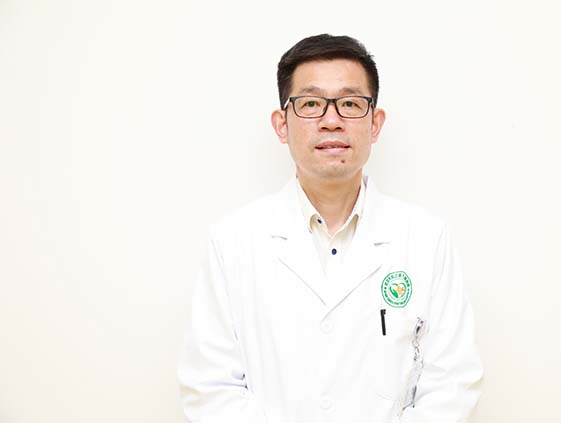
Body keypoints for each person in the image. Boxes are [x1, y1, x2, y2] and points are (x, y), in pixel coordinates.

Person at [178, 34, 483, 423]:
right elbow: (209, 389)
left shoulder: (425, 239)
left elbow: (452, 385)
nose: (332, 120)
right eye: (310, 104)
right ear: (282, 125)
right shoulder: (233, 241)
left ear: (375, 124)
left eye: (350, 104)